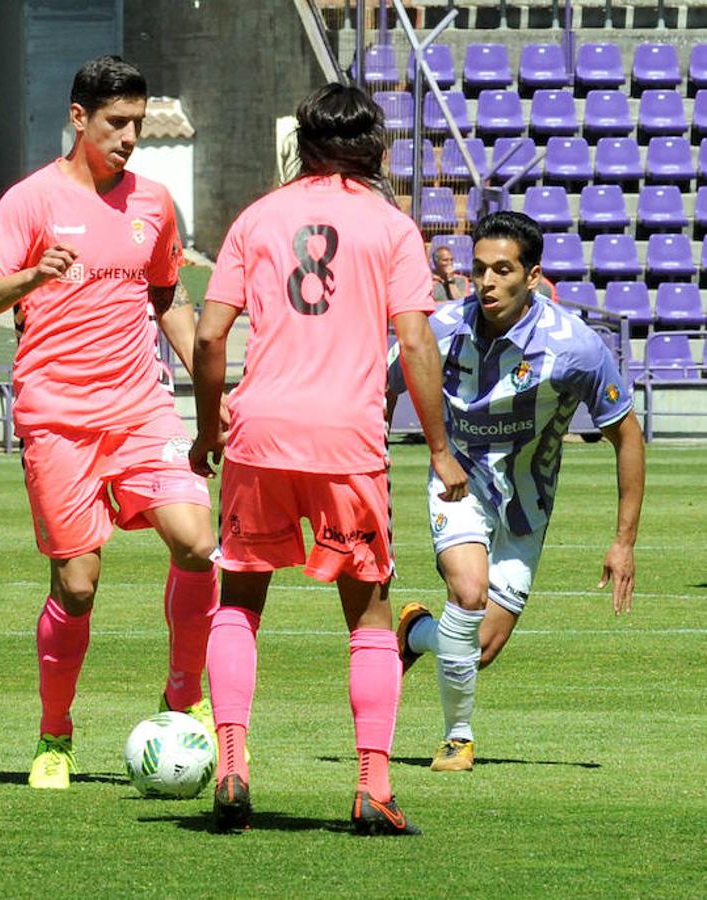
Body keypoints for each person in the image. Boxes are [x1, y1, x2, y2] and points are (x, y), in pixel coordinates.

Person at [189, 82, 468, 835]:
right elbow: (413, 342)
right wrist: (438, 450)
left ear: (302, 148)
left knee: (239, 600)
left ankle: (231, 767)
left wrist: (207, 425)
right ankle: (372, 789)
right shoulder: (390, 226)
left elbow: (210, 336)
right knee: (370, 614)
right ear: (372, 150)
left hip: (260, 435)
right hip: (345, 439)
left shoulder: (257, 216)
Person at [0, 56, 219, 790]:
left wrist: (208, 382)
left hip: (140, 407)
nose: (130, 137)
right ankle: (55, 735)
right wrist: (32, 276)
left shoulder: (156, 203)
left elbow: (167, 296)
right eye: (116, 123)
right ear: (79, 119)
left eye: (137, 123)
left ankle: (182, 695)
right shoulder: (30, 202)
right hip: (59, 417)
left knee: (199, 544)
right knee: (76, 586)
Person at [388, 210, 645, 773]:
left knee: (476, 648)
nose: (486, 282)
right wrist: (370, 476)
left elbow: (627, 434)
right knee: (469, 591)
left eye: (502, 270)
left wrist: (623, 541)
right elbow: (380, 390)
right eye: (479, 269)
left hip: (527, 505)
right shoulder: (440, 328)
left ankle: (416, 632)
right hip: (457, 483)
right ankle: (457, 737)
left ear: (533, 277)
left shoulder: (575, 347)